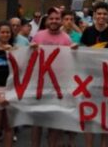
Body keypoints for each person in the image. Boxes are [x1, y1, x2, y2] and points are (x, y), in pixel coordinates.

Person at [30, 8, 76, 147]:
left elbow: (71, 63)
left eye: (57, 18)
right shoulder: (38, 36)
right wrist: (30, 50)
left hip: (59, 87)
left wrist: (75, 52)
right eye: (51, 18)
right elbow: (28, 60)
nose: (54, 21)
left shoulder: (66, 38)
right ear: (47, 20)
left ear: (60, 20)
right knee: (37, 123)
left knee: (55, 123)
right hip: (39, 85)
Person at [80, 2, 108, 147]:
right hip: (90, 79)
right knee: (89, 115)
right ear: (94, 15)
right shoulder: (87, 32)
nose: (101, 16)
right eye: (99, 13)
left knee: (106, 115)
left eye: (104, 14)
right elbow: (82, 52)